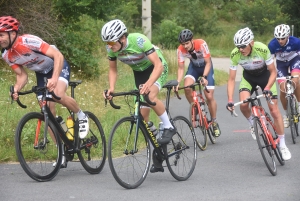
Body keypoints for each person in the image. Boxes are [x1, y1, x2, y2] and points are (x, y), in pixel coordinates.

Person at [0, 16, 89, 167]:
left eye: (1, 35)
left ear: (12, 33)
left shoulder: (28, 41)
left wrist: (54, 78)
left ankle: (81, 115)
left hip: (57, 66)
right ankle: (61, 151)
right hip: (41, 73)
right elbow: (22, 76)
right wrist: (16, 88)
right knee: (46, 112)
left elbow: (58, 55)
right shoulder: (6, 55)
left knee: (58, 95)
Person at [101, 19, 175, 172]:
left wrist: (150, 84)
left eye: (112, 42)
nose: (110, 46)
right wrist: (112, 88)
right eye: (107, 43)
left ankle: (168, 126)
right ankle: (159, 147)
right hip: (139, 73)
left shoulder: (139, 41)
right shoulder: (111, 49)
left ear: (122, 38)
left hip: (157, 68)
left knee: (150, 96)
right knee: (143, 118)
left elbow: (158, 65)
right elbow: (113, 70)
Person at [226, 27, 291, 160]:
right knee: (244, 105)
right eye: (238, 46)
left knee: (274, 111)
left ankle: (283, 145)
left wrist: (267, 87)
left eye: (243, 46)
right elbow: (231, 79)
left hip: (265, 77)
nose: (240, 49)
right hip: (248, 78)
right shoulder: (235, 54)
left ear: (252, 42)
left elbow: (273, 71)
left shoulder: (262, 49)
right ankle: (252, 123)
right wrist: (230, 99)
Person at [176, 29, 221, 137]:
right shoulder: (180, 50)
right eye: (183, 44)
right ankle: (195, 107)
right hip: (194, 68)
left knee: (209, 96)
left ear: (192, 40)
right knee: (187, 87)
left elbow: (208, 63)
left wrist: (204, 77)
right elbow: (181, 68)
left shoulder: (201, 44)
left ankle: (214, 122)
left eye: (187, 43)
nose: (185, 46)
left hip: (206, 68)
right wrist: (177, 82)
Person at [268, 24, 300, 128]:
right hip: (281, 64)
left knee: (295, 80)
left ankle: (299, 105)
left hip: (294, 60)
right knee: (283, 88)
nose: (280, 40)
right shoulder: (272, 45)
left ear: (288, 36)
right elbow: (270, 62)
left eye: (283, 38)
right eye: (278, 38)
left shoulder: (296, 42)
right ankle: (286, 114)